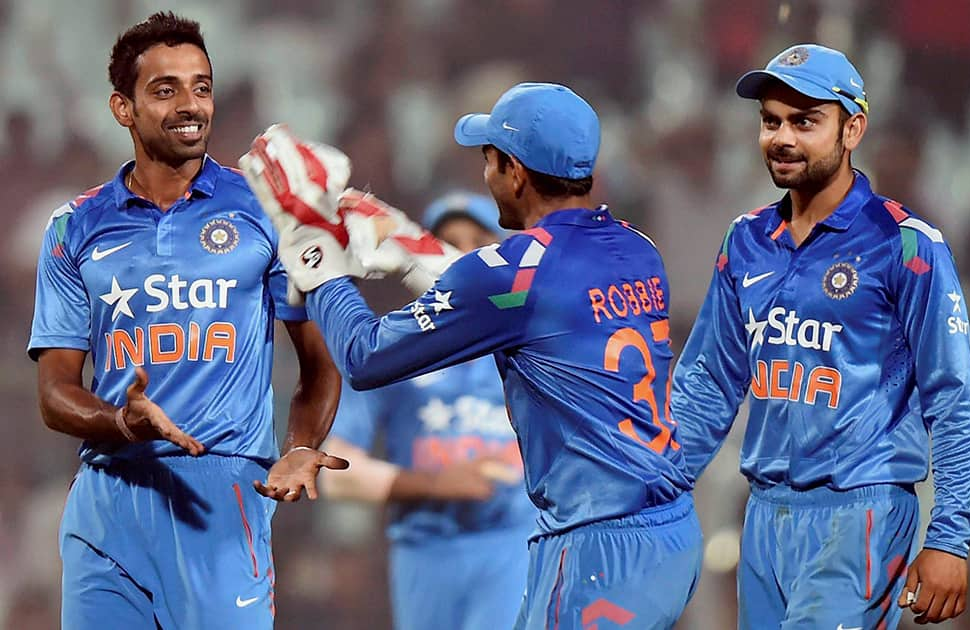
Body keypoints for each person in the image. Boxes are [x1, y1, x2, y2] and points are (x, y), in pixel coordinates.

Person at [241, 82, 703, 629]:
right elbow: (532, 297)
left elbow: (366, 358)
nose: (485, 173)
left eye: (488, 158)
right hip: (670, 532)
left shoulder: (512, 275)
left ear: (514, 171)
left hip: (599, 546)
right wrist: (406, 244)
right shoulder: (635, 247)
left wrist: (315, 252)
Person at [27, 12, 345, 630]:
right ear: (123, 108)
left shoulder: (267, 210)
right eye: (165, 89)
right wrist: (121, 421)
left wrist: (301, 446)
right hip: (107, 500)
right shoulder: (73, 226)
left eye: (201, 86)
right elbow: (54, 393)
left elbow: (319, 364)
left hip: (221, 497)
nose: (190, 105)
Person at [670, 44, 970, 629]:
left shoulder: (906, 245)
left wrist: (950, 537)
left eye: (805, 121)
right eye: (770, 121)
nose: (782, 138)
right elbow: (708, 384)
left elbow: (952, 396)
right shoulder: (746, 240)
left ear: (852, 128)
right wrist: (657, 491)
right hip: (763, 517)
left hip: (859, 513)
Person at [321, 192, 537, 630]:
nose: (462, 252)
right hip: (422, 552)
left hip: (514, 544)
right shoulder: (393, 345)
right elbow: (336, 475)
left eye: (479, 240)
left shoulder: (532, 341)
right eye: (448, 241)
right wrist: (437, 483)